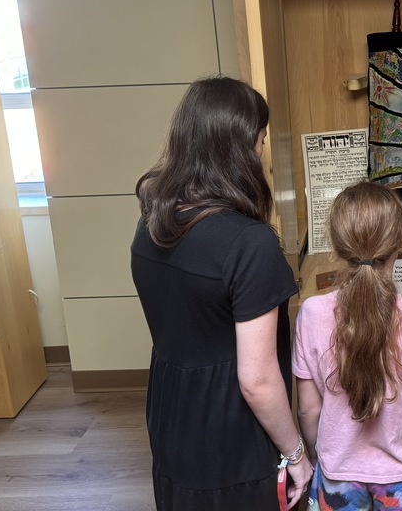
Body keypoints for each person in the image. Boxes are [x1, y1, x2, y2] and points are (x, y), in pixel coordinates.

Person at [130, 76, 313, 511]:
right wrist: (297, 454)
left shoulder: (152, 223)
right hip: (232, 433)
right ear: (245, 145)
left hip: (171, 421)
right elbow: (258, 380)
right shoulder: (249, 243)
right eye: (262, 140)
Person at [293, 181, 402, 510]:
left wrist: (320, 457)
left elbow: (308, 410)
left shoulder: (310, 313)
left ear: (337, 242)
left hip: (336, 475)